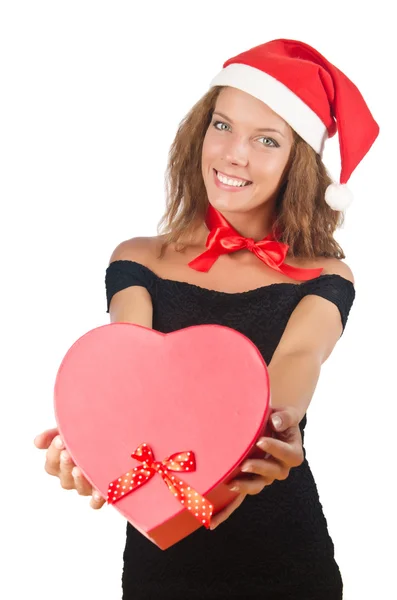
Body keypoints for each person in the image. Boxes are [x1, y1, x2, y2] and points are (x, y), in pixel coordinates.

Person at [34, 38, 379, 599]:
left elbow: (298, 356)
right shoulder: (138, 259)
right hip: (161, 556)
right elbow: (126, 359)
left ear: (301, 163)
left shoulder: (325, 275)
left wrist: (276, 427)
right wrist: (88, 445)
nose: (234, 153)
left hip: (287, 559)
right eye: (223, 125)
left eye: (267, 140)